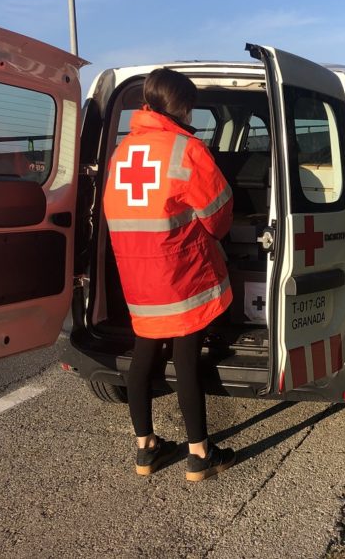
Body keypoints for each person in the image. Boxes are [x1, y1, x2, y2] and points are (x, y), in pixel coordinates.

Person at [103, 68, 237, 481]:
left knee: (143, 357)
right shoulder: (186, 150)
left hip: (137, 277)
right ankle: (200, 454)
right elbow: (218, 218)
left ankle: (145, 449)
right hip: (182, 275)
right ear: (181, 105)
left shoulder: (123, 151)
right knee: (186, 359)